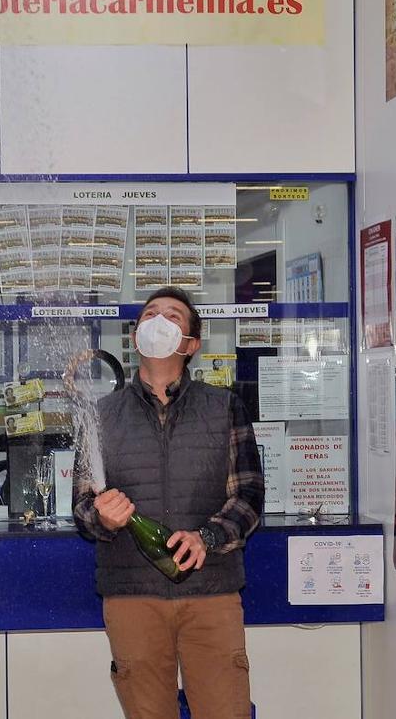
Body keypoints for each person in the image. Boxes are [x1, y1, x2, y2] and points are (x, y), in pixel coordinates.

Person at [73, 287, 264, 719]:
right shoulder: (100, 416)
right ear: (136, 334)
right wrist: (102, 517)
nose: (158, 320)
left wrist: (207, 537)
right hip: (131, 596)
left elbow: (249, 495)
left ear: (191, 344)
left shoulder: (224, 408)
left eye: (173, 316)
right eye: (150, 314)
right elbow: (83, 508)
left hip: (211, 593)